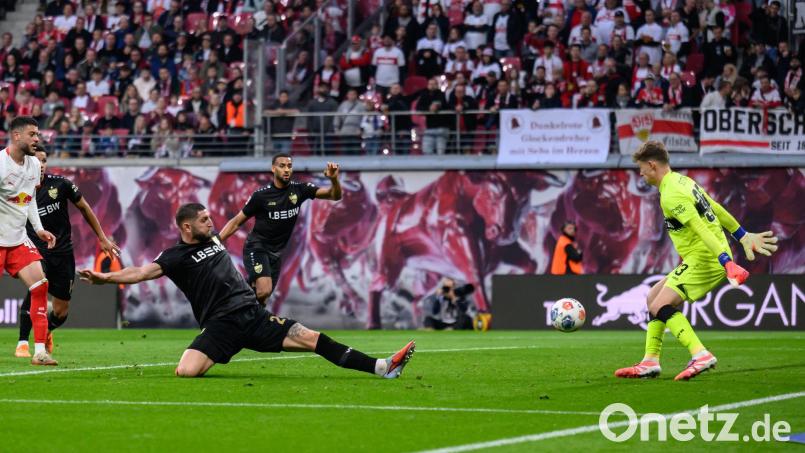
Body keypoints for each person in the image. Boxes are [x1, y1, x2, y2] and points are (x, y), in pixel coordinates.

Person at [78, 203, 415, 378]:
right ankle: (220, 351)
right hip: (221, 325)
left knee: (312, 338)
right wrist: (103, 278)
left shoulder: (212, 239)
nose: (211, 224)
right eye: (205, 220)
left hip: (253, 315)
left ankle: (382, 367)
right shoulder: (174, 256)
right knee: (185, 371)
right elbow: (139, 272)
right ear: (186, 226)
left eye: (210, 219)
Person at [616, 141, 778, 381]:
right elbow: (715, 208)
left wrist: (726, 262)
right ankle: (650, 361)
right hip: (703, 255)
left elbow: (700, 228)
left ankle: (700, 354)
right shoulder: (683, 181)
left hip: (707, 257)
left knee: (660, 306)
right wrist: (741, 235)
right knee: (653, 298)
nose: (640, 173)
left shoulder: (671, 194)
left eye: (641, 168)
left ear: (652, 165)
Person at [15, 144, 119, 358]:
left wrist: (102, 237)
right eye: (36, 160)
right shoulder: (17, 189)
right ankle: (23, 342)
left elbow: (84, 207)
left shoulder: (60, 185)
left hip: (62, 255)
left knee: (61, 312)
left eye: (44, 160)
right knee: (38, 286)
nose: (41, 165)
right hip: (35, 251)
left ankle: (47, 331)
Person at [218, 154, 342, 305]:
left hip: (276, 254)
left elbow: (334, 196)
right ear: (273, 169)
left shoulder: (300, 190)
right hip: (257, 248)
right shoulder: (261, 196)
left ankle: (245, 316)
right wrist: (216, 240)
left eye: (289, 166)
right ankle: (231, 302)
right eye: (282, 166)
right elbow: (236, 221)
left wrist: (334, 180)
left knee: (263, 298)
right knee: (263, 290)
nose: (286, 170)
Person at [0, 116, 58, 366]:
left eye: (37, 134)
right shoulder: (0, 164)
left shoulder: (34, 164)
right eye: (33, 134)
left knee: (40, 285)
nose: (37, 139)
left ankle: (40, 352)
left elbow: (29, 197)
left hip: (17, 239)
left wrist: (39, 228)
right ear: (16, 136)